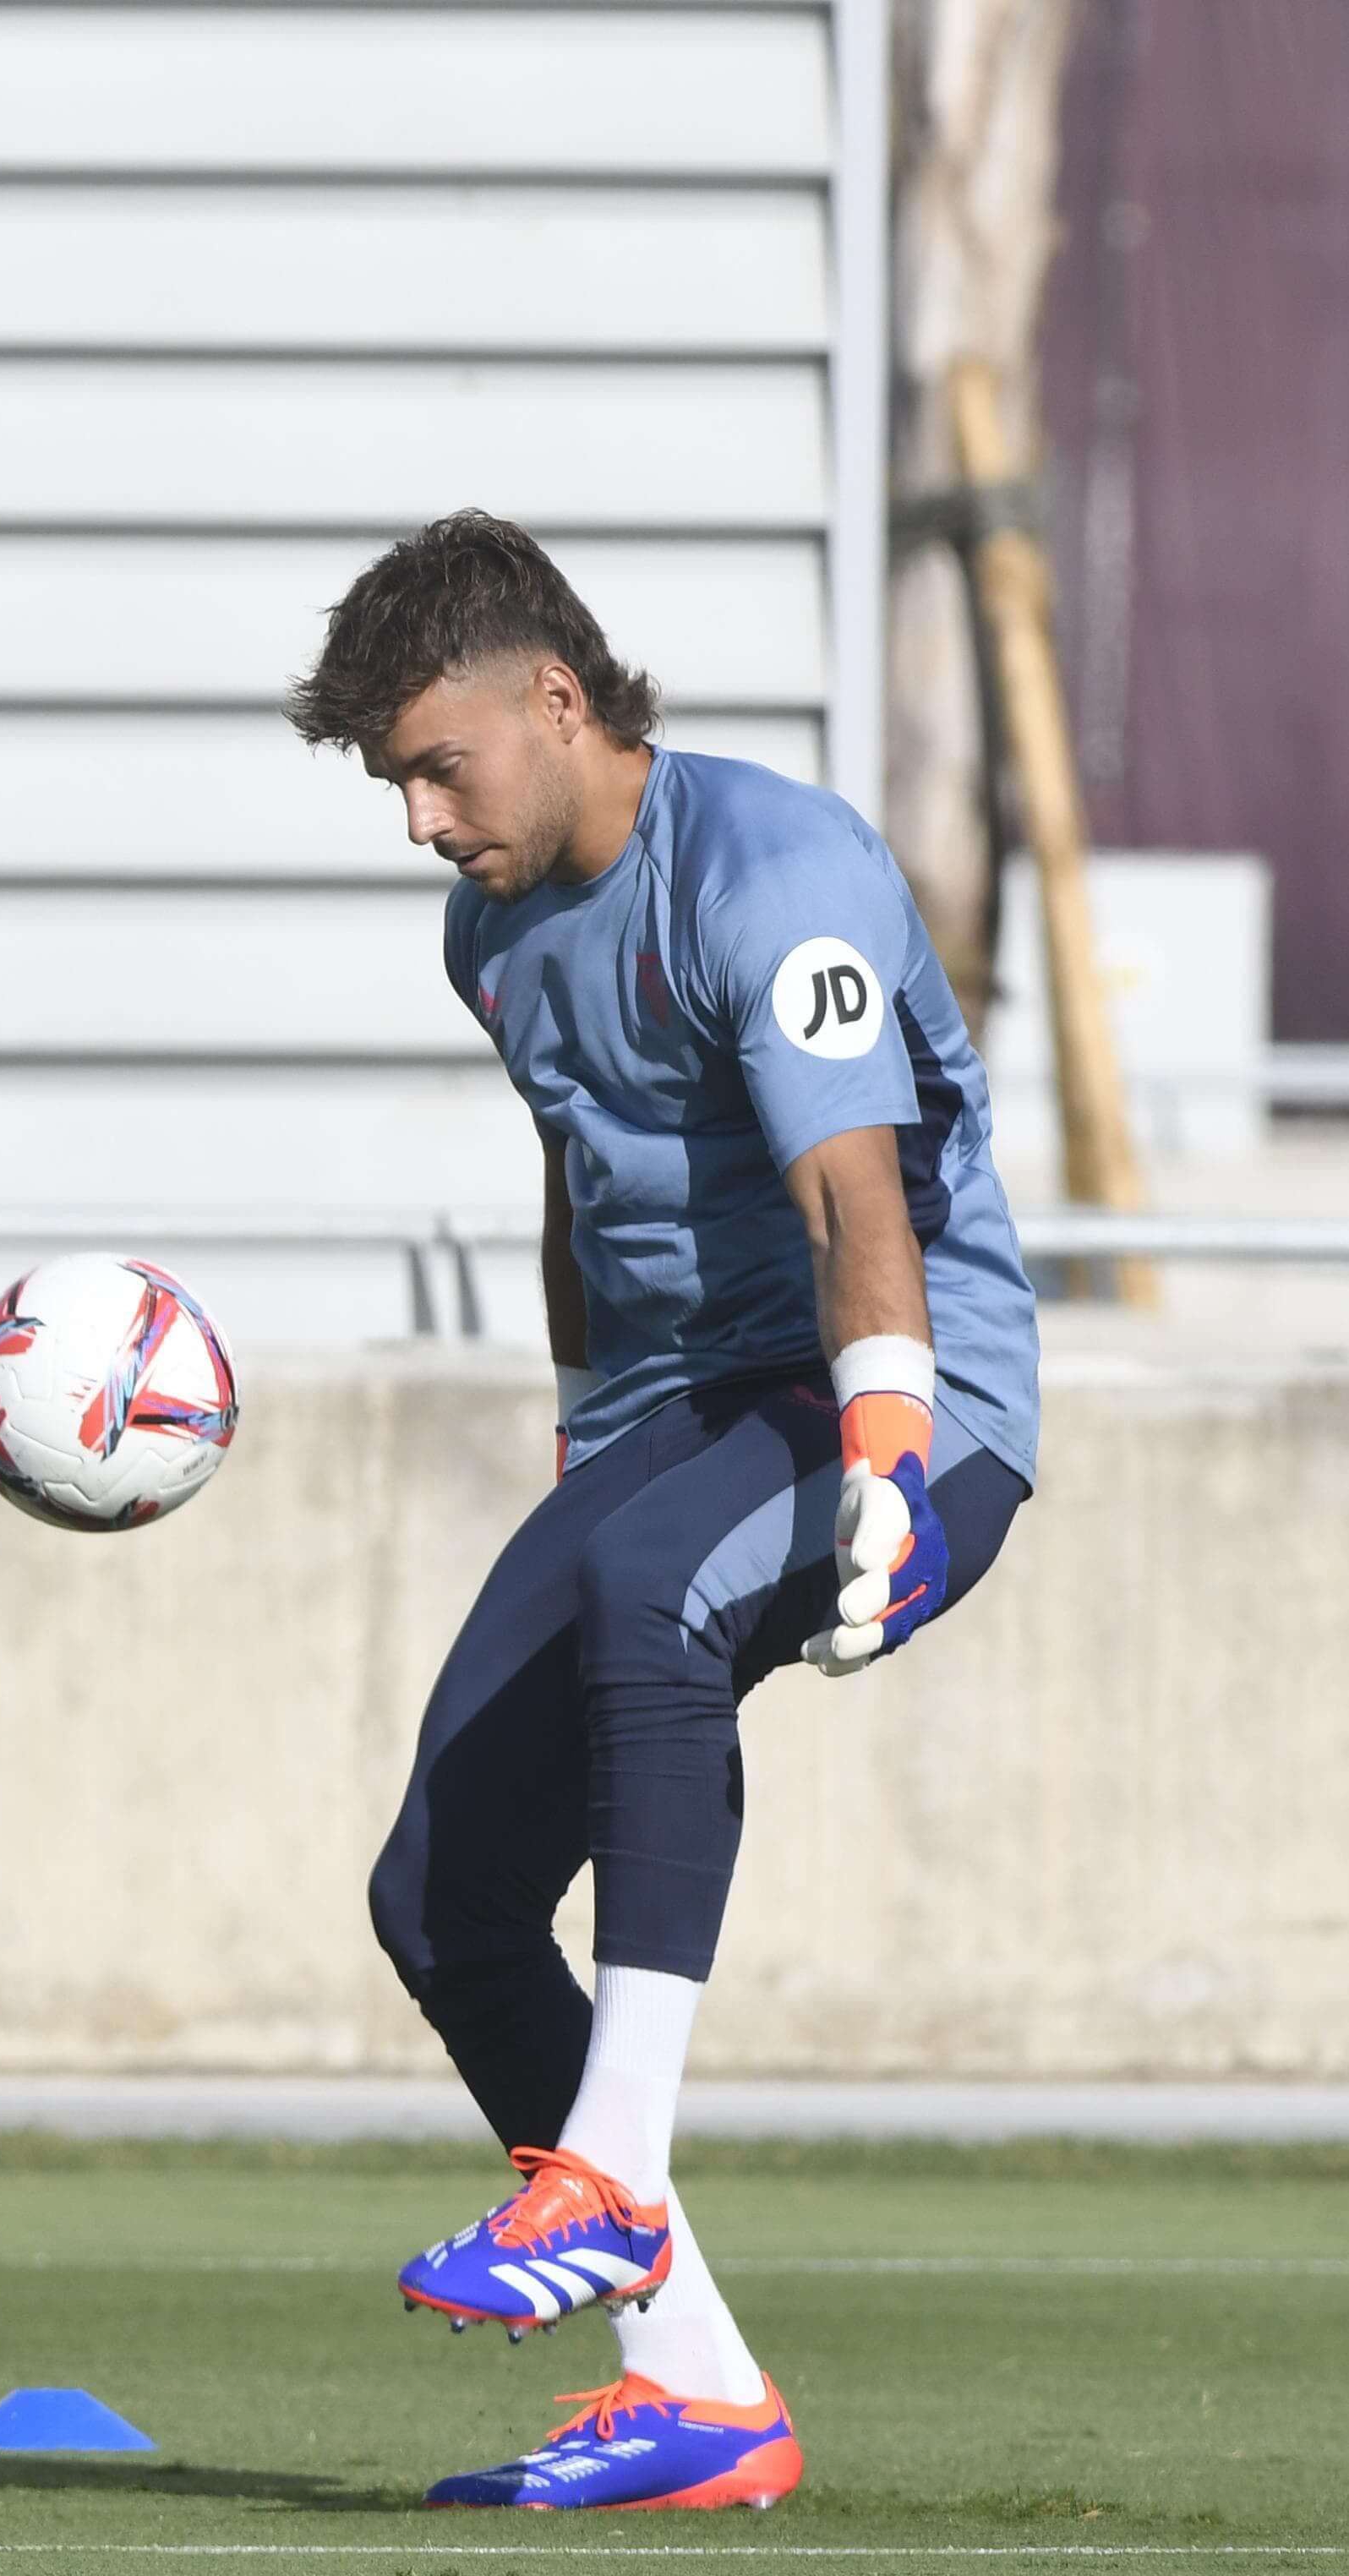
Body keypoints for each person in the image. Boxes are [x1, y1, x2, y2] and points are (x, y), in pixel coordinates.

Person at [288, 512, 1040, 2511]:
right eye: (392, 785)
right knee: (435, 1898)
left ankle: (602, 2174)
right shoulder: (487, 930)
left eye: (435, 766)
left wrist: (888, 1450)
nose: (420, 821)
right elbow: (581, 1180)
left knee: (648, 1583)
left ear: (555, 699)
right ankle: (698, 2395)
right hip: (669, 1422)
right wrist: (573, 1431)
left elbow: (841, 1199)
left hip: (903, 1394)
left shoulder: (773, 871)